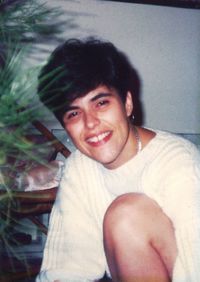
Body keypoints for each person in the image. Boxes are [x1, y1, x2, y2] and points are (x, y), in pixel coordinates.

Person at [36, 38, 200, 282]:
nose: (90, 123)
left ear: (127, 103)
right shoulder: (79, 168)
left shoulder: (178, 164)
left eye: (101, 103)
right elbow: (68, 267)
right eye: (73, 113)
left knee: (125, 216)